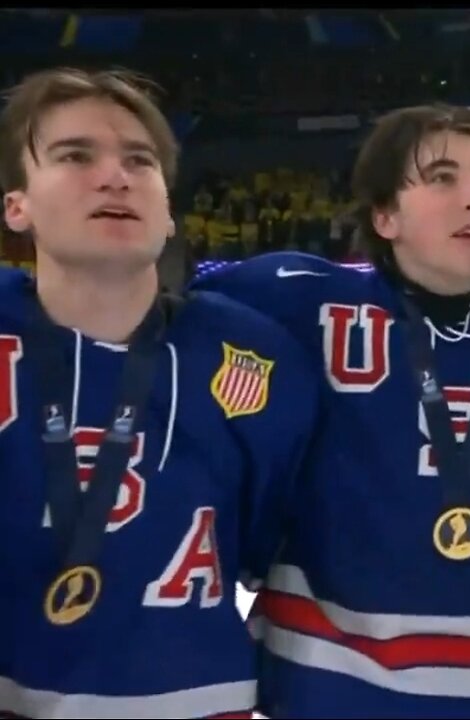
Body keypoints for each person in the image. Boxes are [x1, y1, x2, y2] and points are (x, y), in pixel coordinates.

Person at [192, 103, 470, 718]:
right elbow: (148, 308)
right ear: (384, 216)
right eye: (442, 177)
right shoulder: (296, 298)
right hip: (332, 684)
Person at [0, 67, 318, 717]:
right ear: (16, 205)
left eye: (139, 161)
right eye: (75, 155)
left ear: (169, 212)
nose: (115, 175)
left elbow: (270, 541)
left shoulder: (254, 359)